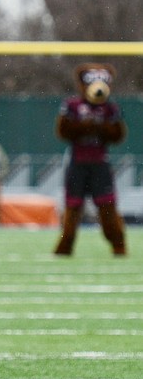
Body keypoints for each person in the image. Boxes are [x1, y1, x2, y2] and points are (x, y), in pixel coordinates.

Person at [54, 63, 128, 256]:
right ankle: (66, 244)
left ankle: (118, 243)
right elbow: (63, 131)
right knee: (72, 207)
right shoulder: (73, 106)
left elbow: (118, 135)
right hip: (78, 163)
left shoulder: (110, 108)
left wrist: (102, 128)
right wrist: (84, 126)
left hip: (100, 164)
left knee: (107, 206)